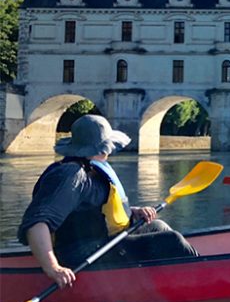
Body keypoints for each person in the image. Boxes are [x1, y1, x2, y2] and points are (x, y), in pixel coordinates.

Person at [17, 115, 198, 289]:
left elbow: (91, 210)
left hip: (100, 241)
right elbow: (36, 223)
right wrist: (54, 268)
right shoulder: (70, 176)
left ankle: (167, 281)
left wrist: (132, 212)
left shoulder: (91, 169)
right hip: (82, 255)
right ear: (104, 149)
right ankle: (200, 280)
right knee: (172, 241)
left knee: (158, 226)